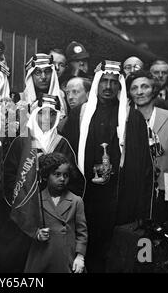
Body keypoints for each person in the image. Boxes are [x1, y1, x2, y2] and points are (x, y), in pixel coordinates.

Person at [62, 60, 154, 273]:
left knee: (112, 257)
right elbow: (66, 154)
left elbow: (144, 166)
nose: (108, 87)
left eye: (114, 82)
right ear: (97, 83)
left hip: (118, 200)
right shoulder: (80, 114)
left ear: (119, 86)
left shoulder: (133, 117)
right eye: (104, 80)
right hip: (85, 196)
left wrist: (143, 209)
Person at [0, 98, 85, 272]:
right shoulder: (21, 141)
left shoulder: (62, 143)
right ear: (34, 114)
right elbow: (9, 176)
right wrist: (21, 201)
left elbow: (74, 180)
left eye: (52, 113)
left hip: (53, 214)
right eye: (42, 112)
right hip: (25, 209)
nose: (46, 118)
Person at [127, 70, 168, 225]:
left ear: (154, 90)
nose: (140, 92)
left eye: (144, 87)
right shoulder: (125, 120)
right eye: (134, 88)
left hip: (166, 186)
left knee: (163, 233)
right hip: (134, 189)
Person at [24, 153, 87, 273]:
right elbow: (28, 225)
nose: (62, 179)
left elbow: (82, 233)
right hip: (42, 256)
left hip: (67, 257)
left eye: (66, 175)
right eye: (57, 174)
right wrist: (37, 233)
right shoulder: (36, 200)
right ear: (46, 176)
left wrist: (80, 256)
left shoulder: (76, 201)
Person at [20, 53, 67, 117]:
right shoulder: (21, 99)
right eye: (38, 72)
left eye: (47, 72)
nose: (43, 77)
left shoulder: (61, 98)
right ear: (31, 76)